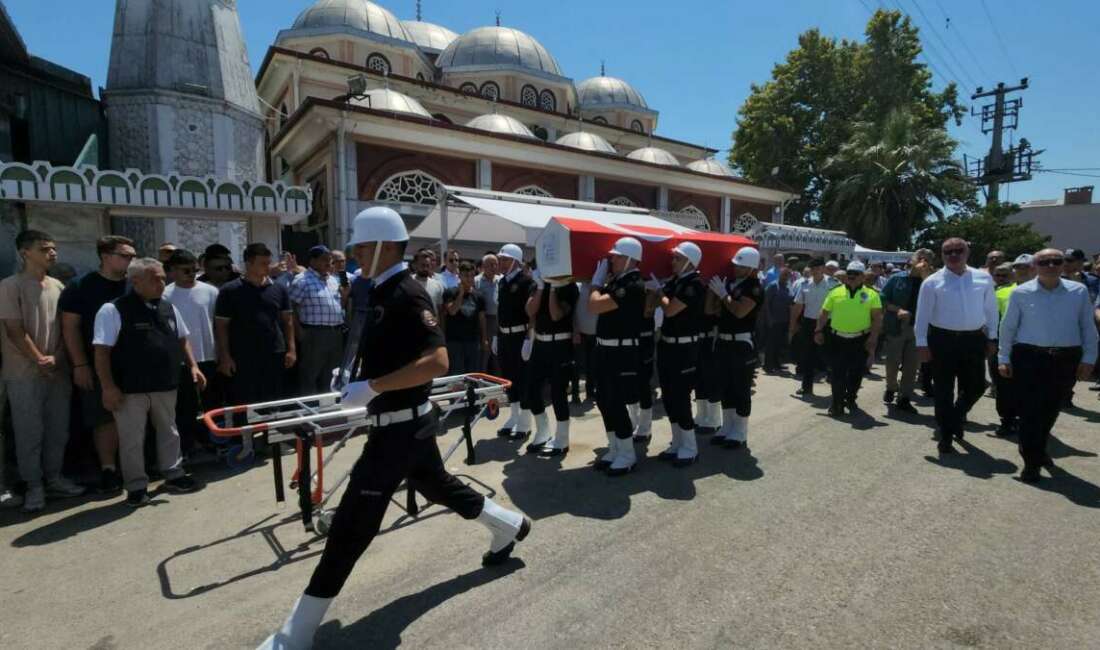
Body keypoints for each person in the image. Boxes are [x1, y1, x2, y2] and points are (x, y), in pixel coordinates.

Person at [259, 207, 530, 650]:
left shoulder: (406, 293)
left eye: (362, 247)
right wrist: (354, 376)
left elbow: (437, 361)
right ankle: (510, 524)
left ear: (384, 247)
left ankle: (297, 633)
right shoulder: (379, 290)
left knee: (350, 527)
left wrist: (373, 387)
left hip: (399, 429)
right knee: (438, 486)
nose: (355, 255)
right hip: (402, 424)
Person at [92, 258, 203, 507]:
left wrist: (193, 366)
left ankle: (173, 474)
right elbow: (101, 352)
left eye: (163, 278)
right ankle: (136, 486)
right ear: (135, 281)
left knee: (169, 431)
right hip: (130, 389)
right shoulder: (113, 310)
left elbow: (183, 339)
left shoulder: (168, 307)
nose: (161, 283)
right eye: (155, 279)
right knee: (132, 439)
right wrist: (108, 387)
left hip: (165, 384)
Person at [0, 230, 85, 512]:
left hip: (57, 370)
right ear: (25, 252)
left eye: (53, 248)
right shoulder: (9, 286)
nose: (52, 253)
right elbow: (14, 330)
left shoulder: (57, 286)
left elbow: (65, 328)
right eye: (44, 248)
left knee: (58, 430)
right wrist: (39, 360)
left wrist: (56, 357)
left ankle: (54, 479)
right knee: (29, 433)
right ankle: (34, 486)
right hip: (23, 373)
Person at [999, 248, 1098, 483]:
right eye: (1045, 262)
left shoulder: (1078, 292)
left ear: (1063, 265)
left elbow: (1087, 326)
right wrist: (1004, 358)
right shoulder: (1021, 292)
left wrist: (1089, 359)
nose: (1051, 265)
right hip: (1029, 357)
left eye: (1056, 261)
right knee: (1030, 411)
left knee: (1051, 409)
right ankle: (1031, 462)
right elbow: (1008, 327)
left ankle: (1039, 449)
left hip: (1065, 358)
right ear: (1035, 267)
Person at [60, 234, 135, 493]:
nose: (130, 260)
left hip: (134, 366)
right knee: (105, 419)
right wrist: (80, 365)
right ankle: (108, 469)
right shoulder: (81, 286)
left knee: (134, 418)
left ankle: (134, 468)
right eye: (125, 255)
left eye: (132, 256)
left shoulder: (134, 284)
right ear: (105, 256)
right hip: (97, 366)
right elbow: (70, 327)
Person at [914, 238, 999, 454]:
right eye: (948, 251)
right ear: (942, 255)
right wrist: (921, 343)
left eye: (958, 251)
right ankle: (946, 435)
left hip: (974, 339)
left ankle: (954, 418)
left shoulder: (983, 278)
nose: (953, 255)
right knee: (943, 390)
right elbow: (922, 316)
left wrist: (992, 338)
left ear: (967, 253)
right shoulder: (931, 282)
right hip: (942, 340)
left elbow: (991, 310)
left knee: (977, 385)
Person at [215, 243, 297, 425]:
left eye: (268, 262)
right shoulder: (230, 291)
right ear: (249, 264)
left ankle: (269, 437)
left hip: (274, 354)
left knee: (272, 403)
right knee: (243, 403)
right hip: (243, 357)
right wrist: (225, 357)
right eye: (263, 263)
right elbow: (221, 327)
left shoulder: (279, 289)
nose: (268, 267)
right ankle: (243, 439)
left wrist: (291, 350)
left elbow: (288, 321)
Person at [586, 237, 646, 475]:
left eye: (618, 256)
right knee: (603, 400)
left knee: (616, 401)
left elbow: (594, 305)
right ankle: (615, 447)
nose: (612, 260)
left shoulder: (632, 284)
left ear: (631, 259)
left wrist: (595, 285)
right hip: (605, 349)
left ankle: (627, 454)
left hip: (621, 351)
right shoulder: (617, 281)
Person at [163, 249, 220, 456]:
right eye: (185, 270)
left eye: (194, 270)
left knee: (211, 403)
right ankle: (188, 446)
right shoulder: (165, 294)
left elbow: (219, 324)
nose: (191, 275)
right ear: (172, 271)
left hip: (209, 356)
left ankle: (213, 441)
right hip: (182, 361)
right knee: (185, 406)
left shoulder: (211, 291)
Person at [653, 242, 706, 467]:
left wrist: (658, 292)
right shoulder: (676, 281)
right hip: (668, 346)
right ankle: (677, 442)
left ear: (690, 262)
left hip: (685, 349)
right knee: (669, 396)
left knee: (681, 397)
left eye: (677, 258)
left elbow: (671, 309)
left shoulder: (693, 284)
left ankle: (690, 447)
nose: (672, 261)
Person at [707, 246, 763, 448]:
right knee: (726, 386)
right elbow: (712, 310)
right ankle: (727, 426)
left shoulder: (754, 287)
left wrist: (723, 295)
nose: (735, 268)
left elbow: (740, 311)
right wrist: (714, 293)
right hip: (723, 340)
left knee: (741, 387)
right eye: (735, 265)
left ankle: (740, 431)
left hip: (742, 343)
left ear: (751, 268)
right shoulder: (730, 284)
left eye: (740, 266)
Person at [522, 267, 578, 456]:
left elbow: (556, 314)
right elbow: (530, 310)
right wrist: (540, 287)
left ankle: (562, 439)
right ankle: (543, 431)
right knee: (531, 389)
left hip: (560, 344)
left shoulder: (569, 286)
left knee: (558, 393)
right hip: (540, 343)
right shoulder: (539, 284)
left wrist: (553, 288)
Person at [815, 261, 883, 416]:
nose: (852, 276)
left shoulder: (872, 294)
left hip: (860, 339)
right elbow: (824, 313)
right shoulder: (835, 292)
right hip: (837, 339)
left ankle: (851, 398)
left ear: (863, 276)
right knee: (837, 372)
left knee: (856, 372)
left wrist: (873, 338)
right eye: (849, 273)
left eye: (856, 274)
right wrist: (818, 330)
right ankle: (836, 404)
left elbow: (877, 318)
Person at [289, 245, 345, 395]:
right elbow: (291, 308)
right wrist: (299, 332)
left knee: (332, 375)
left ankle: (328, 406)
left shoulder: (333, 280)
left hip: (335, 334)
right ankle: (310, 407)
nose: (328, 262)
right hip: (314, 334)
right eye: (324, 259)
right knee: (310, 375)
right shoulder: (302, 280)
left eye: (330, 259)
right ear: (312, 261)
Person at [493, 244, 534, 439]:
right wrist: (496, 335)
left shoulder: (526, 281)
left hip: (520, 335)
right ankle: (514, 416)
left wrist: (529, 338)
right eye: (500, 259)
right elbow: (500, 311)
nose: (501, 263)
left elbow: (532, 314)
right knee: (508, 378)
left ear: (516, 261)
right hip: (504, 336)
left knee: (523, 379)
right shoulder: (502, 282)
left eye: (505, 260)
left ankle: (525, 422)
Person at [880, 253, 931, 413]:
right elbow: (883, 298)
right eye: (920, 258)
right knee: (892, 361)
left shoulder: (931, 282)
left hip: (918, 329)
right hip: (897, 326)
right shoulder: (897, 278)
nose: (923, 261)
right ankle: (891, 386)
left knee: (911, 365)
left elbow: (938, 301)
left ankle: (904, 398)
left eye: (927, 259)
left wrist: (926, 278)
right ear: (911, 261)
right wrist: (897, 310)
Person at [789, 258, 834, 397]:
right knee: (807, 356)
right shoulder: (804, 284)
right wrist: (792, 324)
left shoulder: (833, 284)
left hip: (827, 324)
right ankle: (806, 387)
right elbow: (798, 305)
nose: (814, 271)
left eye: (817, 268)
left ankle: (837, 389)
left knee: (829, 356)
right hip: (809, 323)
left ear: (823, 268)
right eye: (812, 268)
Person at [441, 261, 487, 375]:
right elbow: (452, 311)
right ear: (459, 276)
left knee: (473, 375)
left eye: (472, 275)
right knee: (457, 375)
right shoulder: (450, 293)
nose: (469, 279)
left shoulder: (479, 296)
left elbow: (482, 319)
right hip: (454, 342)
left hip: (473, 342)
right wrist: (461, 294)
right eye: (466, 276)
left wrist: (484, 339)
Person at [763, 267, 794, 373]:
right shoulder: (773, 286)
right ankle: (768, 366)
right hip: (773, 320)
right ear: (779, 274)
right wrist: (769, 318)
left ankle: (776, 364)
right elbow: (766, 303)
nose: (785, 277)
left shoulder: (788, 287)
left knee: (779, 343)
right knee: (771, 344)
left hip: (784, 320)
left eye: (787, 275)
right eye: (784, 274)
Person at [573, 280, 599, 403]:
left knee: (592, 364)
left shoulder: (599, 287)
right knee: (577, 365)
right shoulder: (578, 287)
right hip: (580, 332)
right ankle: (575, 394)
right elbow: (574, 311)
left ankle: (590, 392)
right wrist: (575, 330)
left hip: (595, 333)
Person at [474, 254, 500, 374]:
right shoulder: (476, 281)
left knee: (498, 355)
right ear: (483, 266)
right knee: (485, 354)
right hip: (485, 321)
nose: (494, 267)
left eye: (496, 264)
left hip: (499, 321)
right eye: (491, 264)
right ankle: (481, 379)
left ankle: (499, 381)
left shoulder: (501, 280)